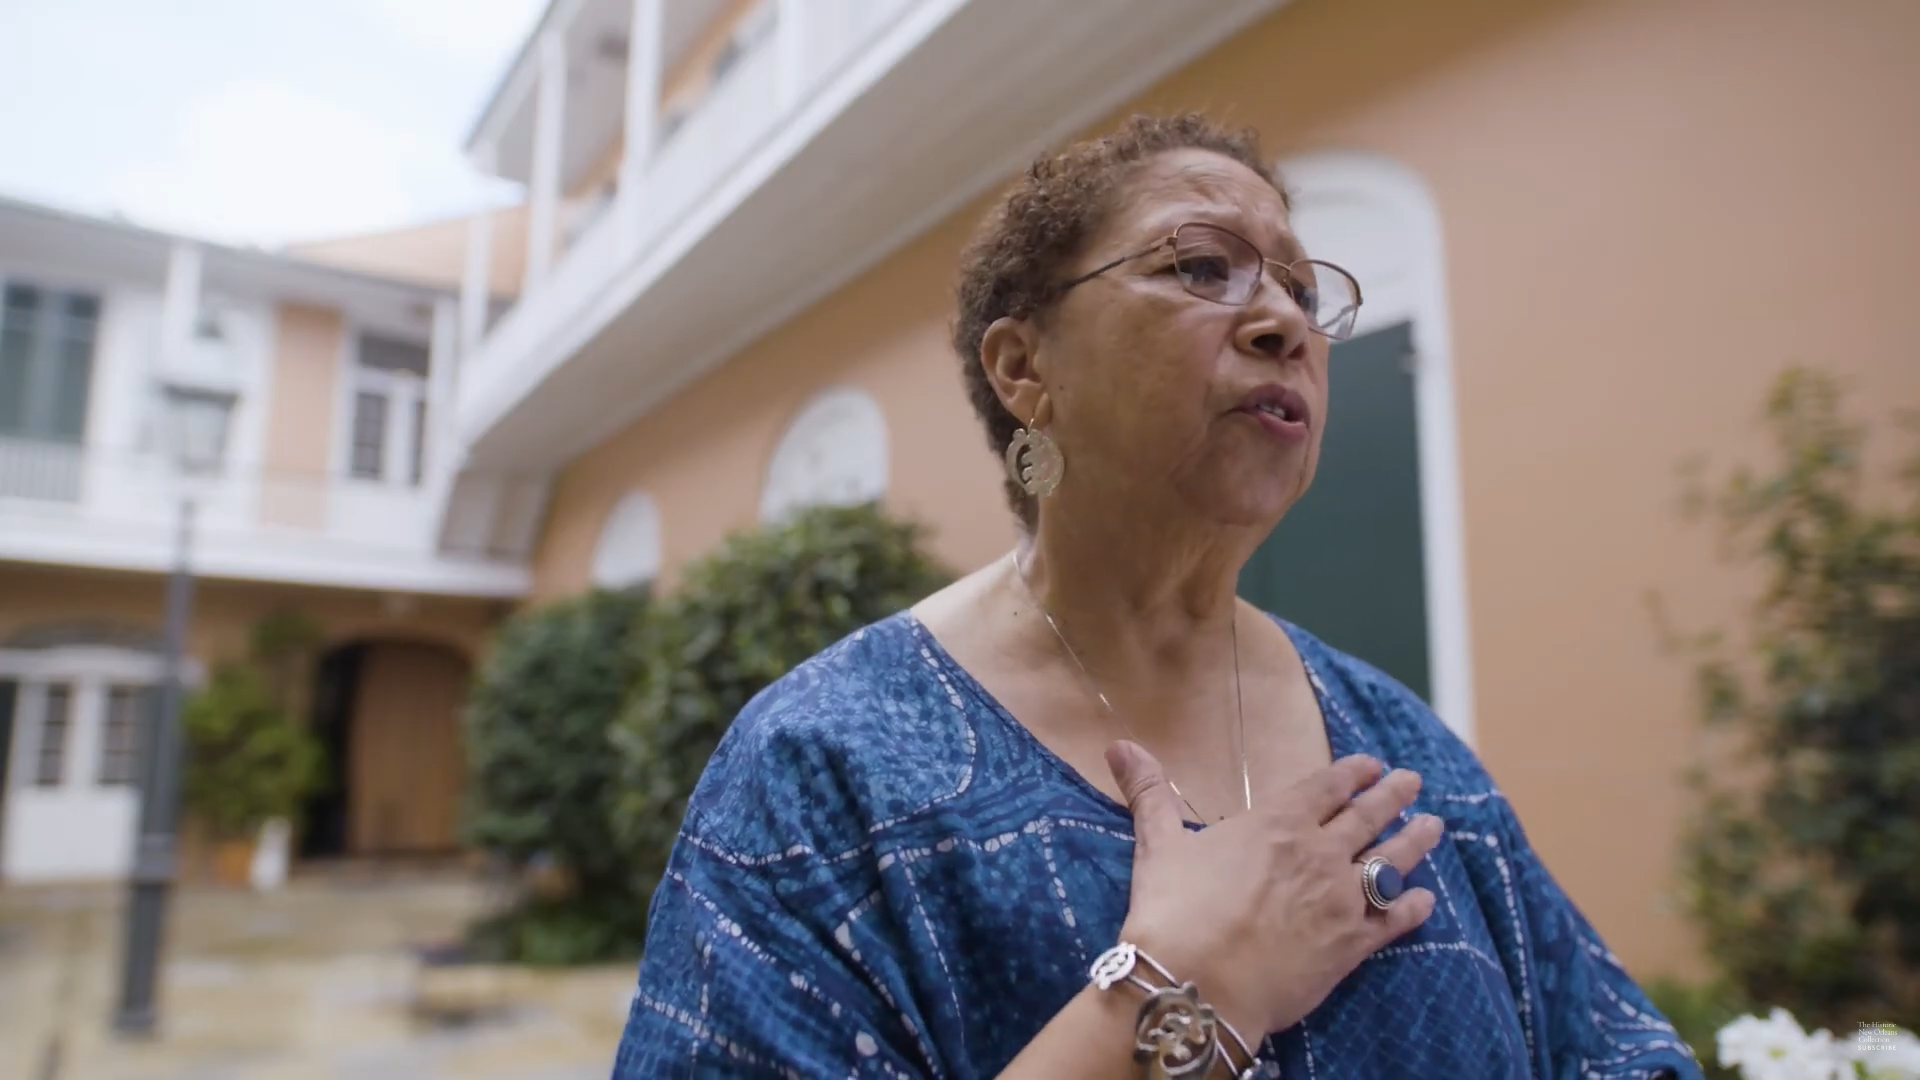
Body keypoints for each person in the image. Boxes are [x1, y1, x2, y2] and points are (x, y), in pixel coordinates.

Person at [612, 113, 1701, 1079]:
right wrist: (1190, 989)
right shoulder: (824, 769)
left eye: (1303, 293)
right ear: (1024, 369)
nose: (1283, 321)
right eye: (1200, 267)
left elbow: (1619, 1053)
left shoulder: (1403, 754)